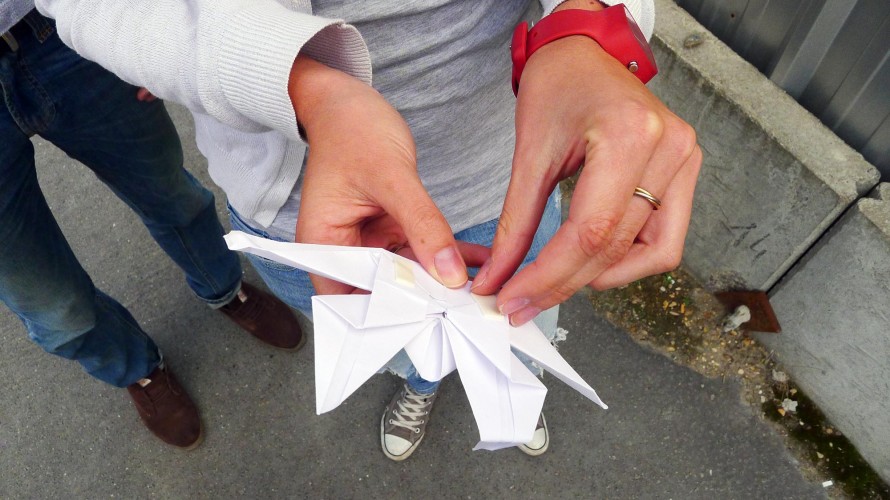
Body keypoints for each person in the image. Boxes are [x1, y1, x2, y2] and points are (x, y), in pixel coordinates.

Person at [36, 0, 702, 460]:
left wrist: (585, 27)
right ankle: (423, 383)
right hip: (315, 217)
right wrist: (303, 86)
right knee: (398, 346)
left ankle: (509, 391)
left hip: (507, 178)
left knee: (521, 332)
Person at [0, 7, 305, 450]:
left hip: (55, 24)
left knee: (170, 194)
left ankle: (224, 288)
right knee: (53, 307)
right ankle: (137, 370)